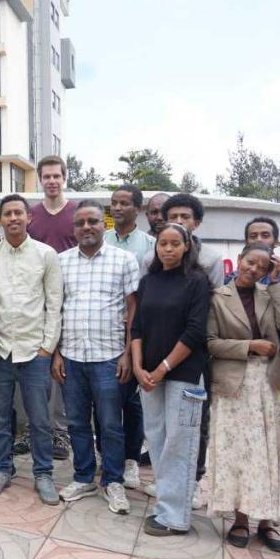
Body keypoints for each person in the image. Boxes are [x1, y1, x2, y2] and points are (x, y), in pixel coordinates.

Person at [207, 243, 280, 553]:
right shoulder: (218, 297)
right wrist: (249, 346)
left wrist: (275, 282)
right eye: (249, 262)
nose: (253, 269)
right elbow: (211, 343)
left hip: (272, 384)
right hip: (235, 384)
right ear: (239, 260)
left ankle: (267, 522)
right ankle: (241, 519)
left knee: (271, 451)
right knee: (241, 454)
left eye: (260, 265)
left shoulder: (269, 292)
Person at [54, 200, 140, 514]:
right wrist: (57, 354)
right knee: (77, 422)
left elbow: (133, 309)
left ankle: (113, 481)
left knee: (111, 424)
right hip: (72, 355)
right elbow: (57, 308)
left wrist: (128, 353)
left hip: (110, 355)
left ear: (103, 224)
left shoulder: (125, 260)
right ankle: (84, 476)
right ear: (73, 229)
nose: (87, 227)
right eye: (80, 223)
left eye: (93, 221)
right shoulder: (61, 262)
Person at [0, 194, 63, 506]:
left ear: (30, 217)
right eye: (7, 214)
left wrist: (46, 348)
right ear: (0, 219)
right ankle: (3, 468)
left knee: (40, 419)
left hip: (34, 351)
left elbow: (54, 304)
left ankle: (43, 473)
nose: (13, 218)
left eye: (18, 213)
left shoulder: (46, 255)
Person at [143, 193, 225, 507]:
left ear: (196, 224)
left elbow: (204, 321)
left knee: (189, 432)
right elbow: (141, 318)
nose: (179, 223)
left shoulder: (207, 268)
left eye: (185, 217)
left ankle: (188, 486)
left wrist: (163, 366)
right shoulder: (151, 272)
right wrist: (142, 364)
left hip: (189, 362)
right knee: (160, 431)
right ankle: (169, 487)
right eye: (172, 217)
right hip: (153, 365)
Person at [131, 223, 211, 536]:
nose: (167, 249)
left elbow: (195, 331)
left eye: (174, 243)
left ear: (186, 247)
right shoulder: (149, 281)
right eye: (162, 243)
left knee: (181, 443)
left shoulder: (197, 281)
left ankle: (175, 517)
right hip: (148, 375)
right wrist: (139, 367)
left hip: (183, 374)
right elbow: (137, 327)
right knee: (157, 440)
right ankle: (165, 506)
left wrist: (162, 368)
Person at [22, 155, 73, 461]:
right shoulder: (32, 215)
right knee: (37, 368)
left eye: (57, 176)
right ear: (40, 179)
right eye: (47, 176)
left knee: (61, 370)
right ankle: (34, 429)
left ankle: (61, 433)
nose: (52, 181)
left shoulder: (76, 213)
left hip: (70, 300)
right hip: (35, 303)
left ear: (64, 178)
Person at [105, 184, 154, 489]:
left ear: (138, 209)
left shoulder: (149, 245)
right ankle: (107, 457)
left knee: (131, 401)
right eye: (114, 203)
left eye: (124, 203)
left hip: (135, 330)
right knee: (106, 399)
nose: (118, 208)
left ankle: (131, 460)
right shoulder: (102, 238)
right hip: (104, 330)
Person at [225, 216, 280, 357]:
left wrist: (274, 283)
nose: (259, 239)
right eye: (253, 236)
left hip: (279, 360)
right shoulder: (231, 279)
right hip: (238, 359)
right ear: (247, 241)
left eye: (265, 235)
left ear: (275, 242)